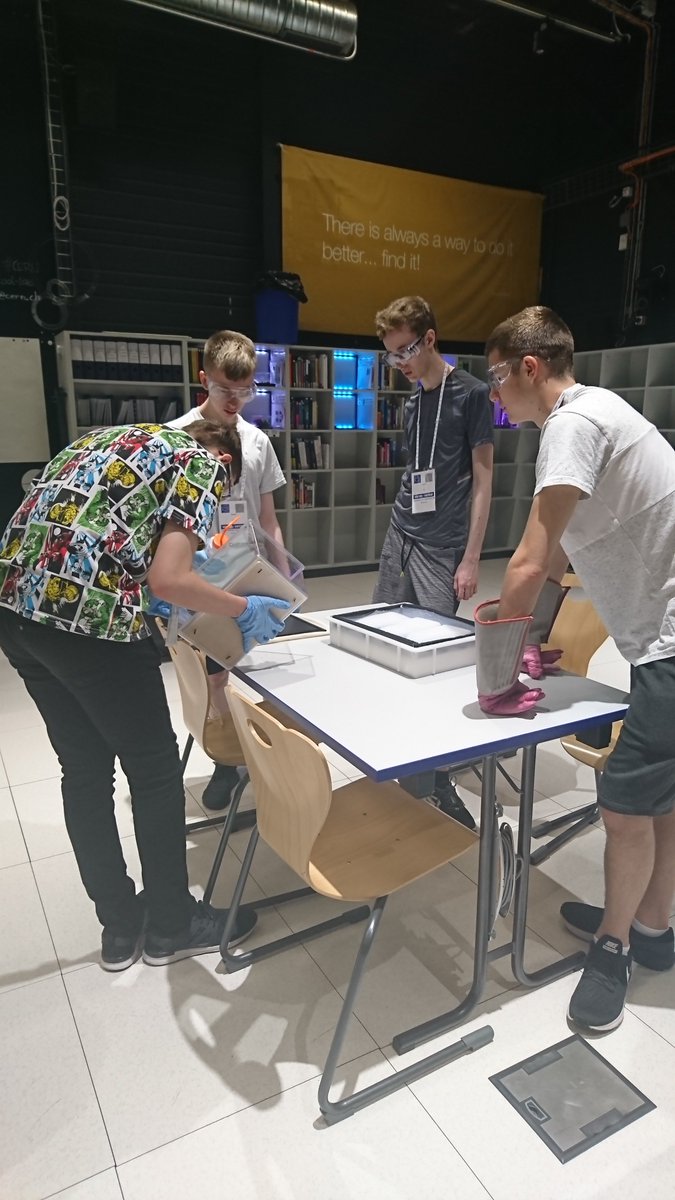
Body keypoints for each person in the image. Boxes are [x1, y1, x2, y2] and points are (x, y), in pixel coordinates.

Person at [0, 420, 290, 970]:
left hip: (16, 611)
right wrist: (243, 609)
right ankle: (173, 927)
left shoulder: (103, 441)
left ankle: (118, 926)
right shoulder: (204, 465)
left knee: (83, 771)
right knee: (154, 772)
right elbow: (168, 579)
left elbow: (105, 536)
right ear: (225, 462)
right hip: (88, 622)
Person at [482, 304, 675, 1033]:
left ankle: (613, 948)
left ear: (528, 367)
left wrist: (494, 658)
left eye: (497, 379)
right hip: (661, 637)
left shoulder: (569, 426)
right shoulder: (599, 410)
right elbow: (557, 556)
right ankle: (651, 926)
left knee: (624, 812)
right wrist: (534, 618)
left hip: (667, 642)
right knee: (661, 799)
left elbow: (532, 556)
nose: (495, 398)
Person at [374, 296, 494, 829]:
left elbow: (484, 481)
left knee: (435, 658)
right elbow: (414, 473)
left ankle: (438, 776)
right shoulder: (410, 402)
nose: (399, 362)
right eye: (391, 354)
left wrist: (471, 558)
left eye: (404, 350)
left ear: (430, 338)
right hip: (401, 533)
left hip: (444, 546)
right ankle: (395, 750)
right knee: (384, 641)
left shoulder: (470, 394)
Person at [169, 329, 288, 811]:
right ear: (203, 380)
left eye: (245, 391)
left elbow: (268, 519)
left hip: (249, 575)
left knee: (256, 674)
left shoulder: (257, 441)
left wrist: (287, 577)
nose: (235, 400)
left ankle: (265, 756)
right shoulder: (177, 437)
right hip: (197, 576)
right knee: (212, 676)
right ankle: (225, 763)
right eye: (224, 390)